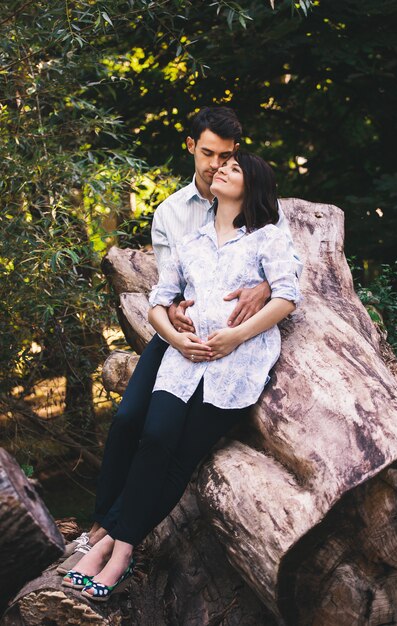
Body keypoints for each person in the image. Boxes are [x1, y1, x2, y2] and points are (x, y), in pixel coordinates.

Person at [56, 106, 300, 573]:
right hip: (180, 334)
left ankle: (114, 538)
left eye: (228, 157)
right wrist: (171, 318)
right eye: (210, 154)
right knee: (131, 421)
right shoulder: (173, 214)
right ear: (192, 148)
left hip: (232, 349)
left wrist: (266, 285)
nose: (218, 165)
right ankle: (99, 531)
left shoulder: (263, 221)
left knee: (174, 447)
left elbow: (287, 271)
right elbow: (166, 289)